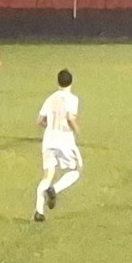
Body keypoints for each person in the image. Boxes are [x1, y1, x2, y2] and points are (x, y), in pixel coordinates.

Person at [34, 69, 83, 222]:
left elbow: (39, 121)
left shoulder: (51, 98)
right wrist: (76, 129)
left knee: (47, 175)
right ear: (71, 82)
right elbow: (70, 117)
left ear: (58, 82)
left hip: (49, 139)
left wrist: (50, 126)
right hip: (65, 139)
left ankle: (39, 211)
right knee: (77, 170)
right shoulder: (72, 98)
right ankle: (55, 189)